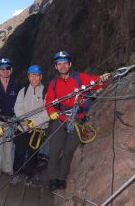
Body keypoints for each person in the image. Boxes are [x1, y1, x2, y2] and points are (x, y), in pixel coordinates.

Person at [45, 51, 110, 191]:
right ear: (56, 66)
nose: (62, 66)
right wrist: (52, 112)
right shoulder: (54, 83)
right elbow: (49, 100)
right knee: (55, 150)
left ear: (70, 64)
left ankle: (62, 178)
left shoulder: (81, 78)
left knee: (69, 151)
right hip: (60, 119)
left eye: (65, 63)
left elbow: (97, 82)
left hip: (77, 120)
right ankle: (52, 178)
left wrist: (103, 79)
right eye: (59, 64)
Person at [10, 65, 50, 186]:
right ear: (28, 77)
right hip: (23, 127)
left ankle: (29, 174)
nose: (34, 78)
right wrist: (24, 120)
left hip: (38, 128)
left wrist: (34, 122)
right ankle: (16, 173)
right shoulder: (23, 91)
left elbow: (47, 111)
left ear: (40, 77)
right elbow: (18, 107)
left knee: (33, 152)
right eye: (32, 75)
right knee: (20, 151)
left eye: (37, 76)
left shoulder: (45, 92)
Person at [0, 58, 21, 179]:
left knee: (8, 145)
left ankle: (7, 168)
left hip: (11, 121)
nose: (5, 71)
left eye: (7, 68)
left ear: (11, 69)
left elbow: (21, 101)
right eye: (2, 68)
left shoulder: (17, 84)